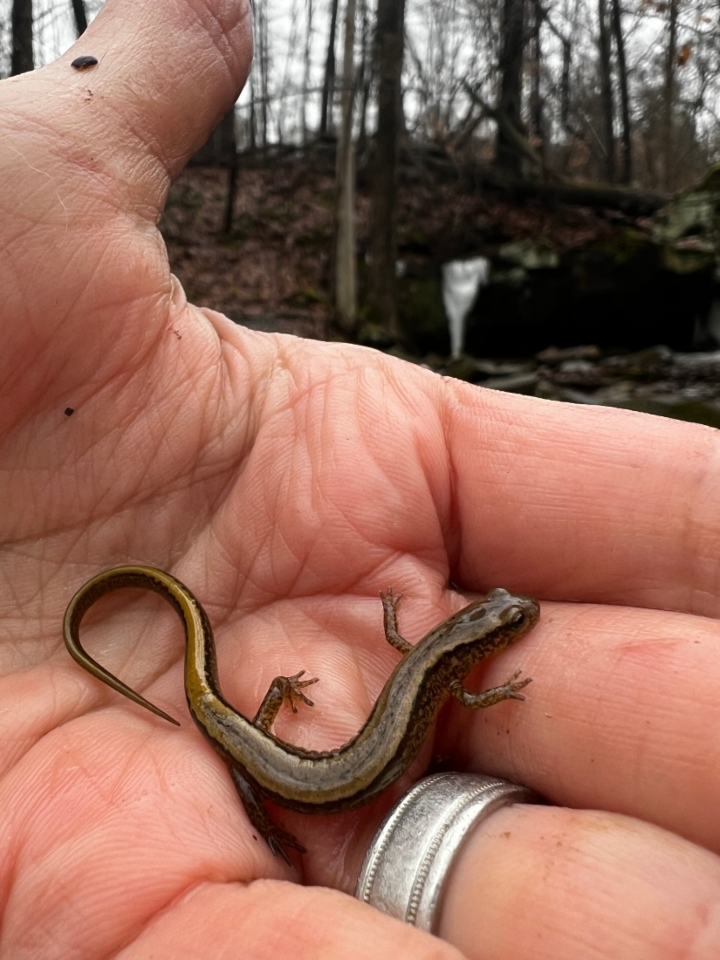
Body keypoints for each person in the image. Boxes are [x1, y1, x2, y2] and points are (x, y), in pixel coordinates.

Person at [1, 1, 719, 957]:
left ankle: (253, 757)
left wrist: (322, 687)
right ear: (466, 648)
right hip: (296, 772)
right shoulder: (453, 681)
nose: (508, 618)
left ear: (460, 645)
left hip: (286, 750)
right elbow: (457, 694)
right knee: (258, 778)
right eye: (500, 617)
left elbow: (412, 649)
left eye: (501, 618)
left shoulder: (438, 661)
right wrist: (488, 703)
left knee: (244, 737)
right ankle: (260, 799)